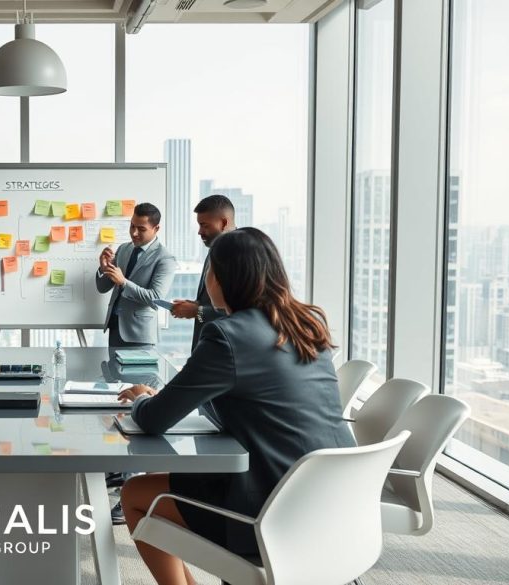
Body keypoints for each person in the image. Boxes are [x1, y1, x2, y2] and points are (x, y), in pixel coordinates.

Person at [116, 227, 355, 585]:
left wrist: (143, 400)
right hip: (335, 499)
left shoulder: (227, 334)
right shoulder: (307, 323)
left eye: (210, 270)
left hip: (271, 505)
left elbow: (153, 421)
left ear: (223, 278)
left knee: (135, 494)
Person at [95, 202, 178, 347]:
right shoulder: (124, 249)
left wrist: (124, 282)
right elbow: (102, 288)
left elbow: (155, 299)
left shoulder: (165, 259)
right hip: (114, 328)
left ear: (156, 228)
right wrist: (103, 268)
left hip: (139, 335)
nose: (134, 233)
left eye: (141, 229)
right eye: (132, 226)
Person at [169, 195, 235, 350]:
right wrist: (196, 305)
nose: (199, 232)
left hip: (225, 347)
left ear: (223, 223)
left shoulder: (240, 253)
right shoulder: (215, 248)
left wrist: (197, 311)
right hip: (206, 344)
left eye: (204, 225)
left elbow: (241, 310)